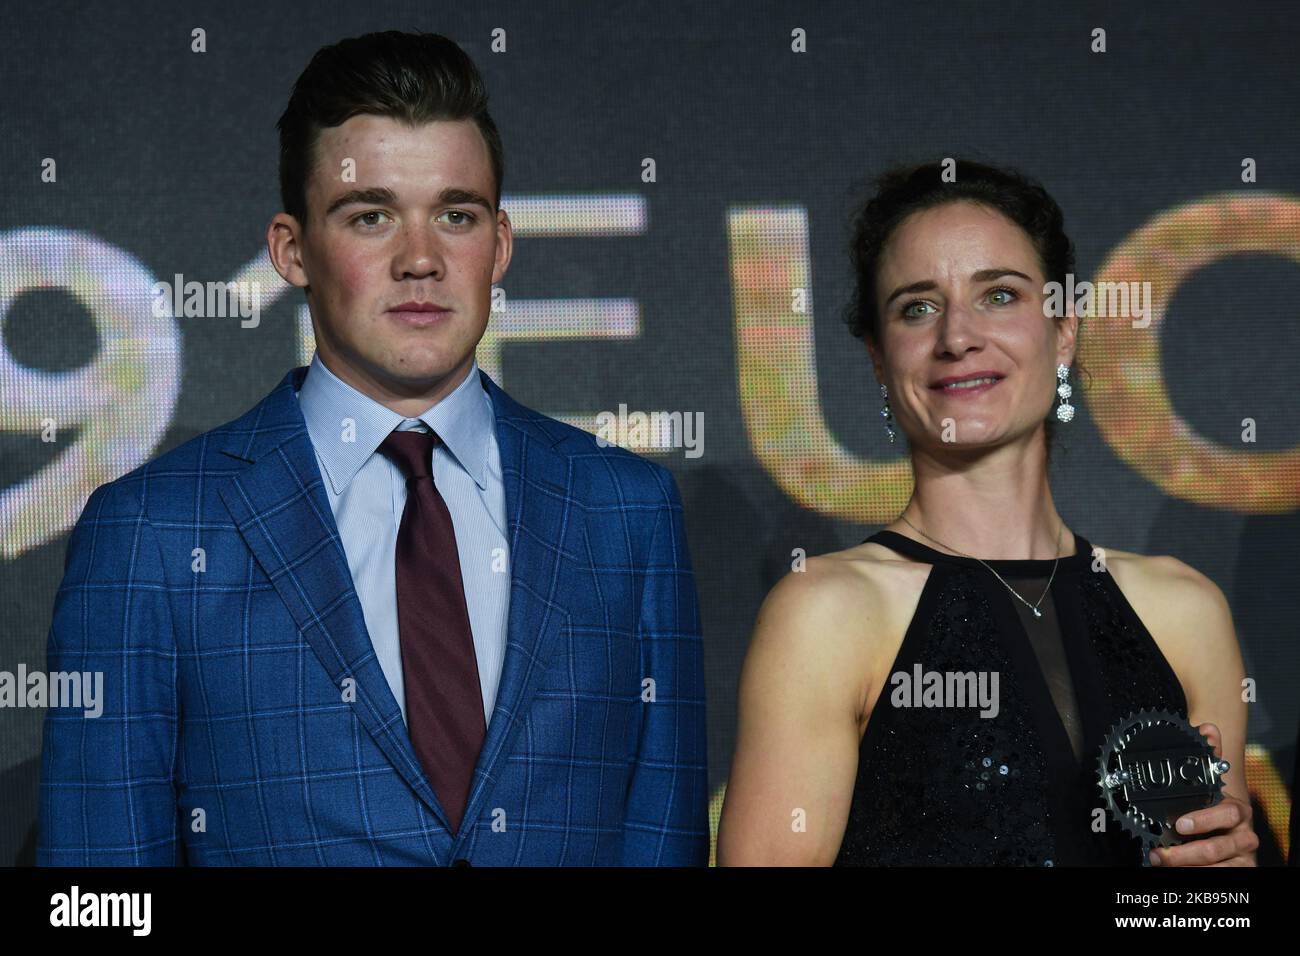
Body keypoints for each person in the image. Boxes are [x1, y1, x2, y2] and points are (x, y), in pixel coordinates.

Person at [37, 30, 708, 866]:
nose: (420, 260)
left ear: (499, 246)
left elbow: (663, 839)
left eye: (456, 216)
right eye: (371, 215)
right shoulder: (153, 533)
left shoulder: (625, 511)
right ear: (291, 251)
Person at [717, 160, 1255, 866]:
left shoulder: (1185, 610)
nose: (958, 336)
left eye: (999, 295)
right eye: (917, 307)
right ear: (879, 358)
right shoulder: (827, 614)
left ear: (1063, 329)